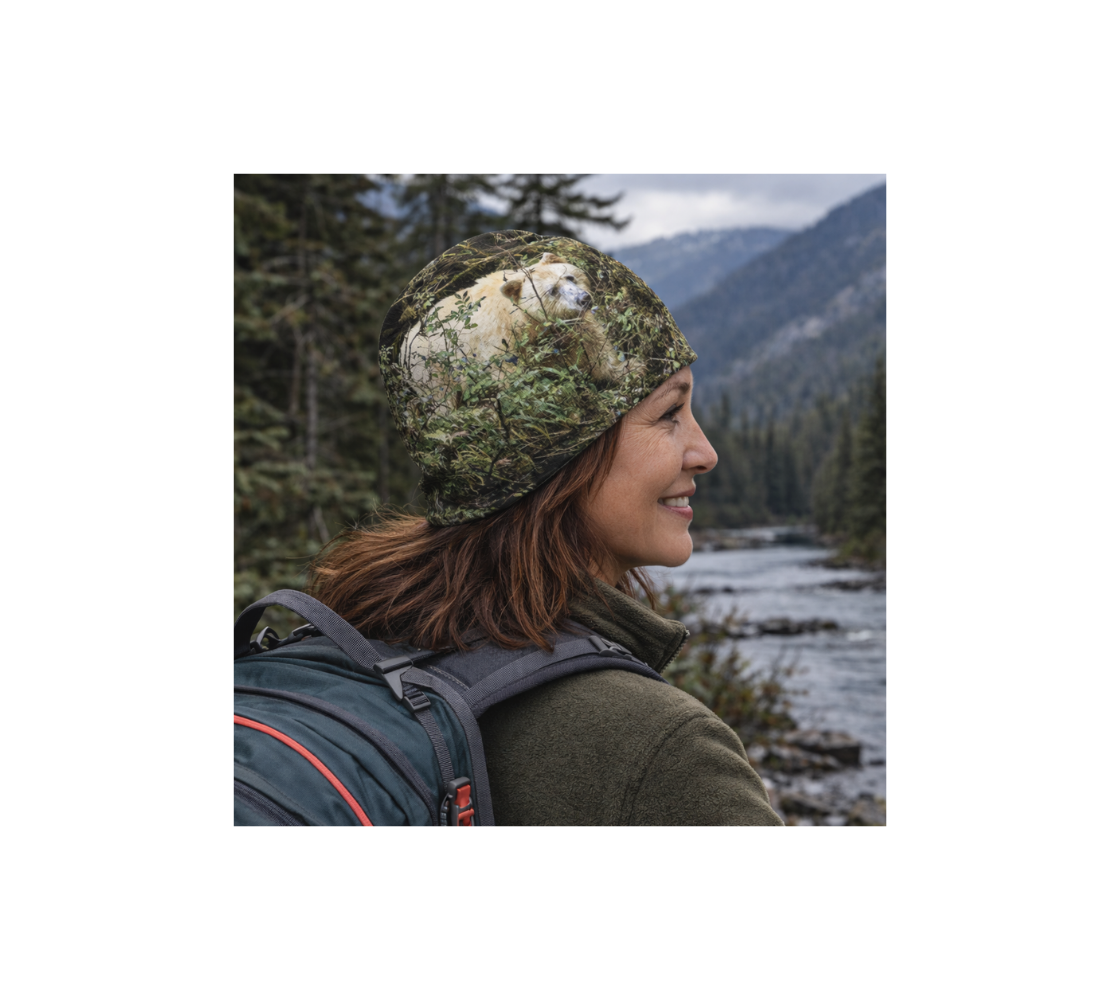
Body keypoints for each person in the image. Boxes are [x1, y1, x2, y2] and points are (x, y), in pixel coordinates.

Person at [308, 231, 782, 827]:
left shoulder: (349, 645)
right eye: (668, 413)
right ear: (561, 453)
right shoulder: (664, 754)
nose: (705, 452)